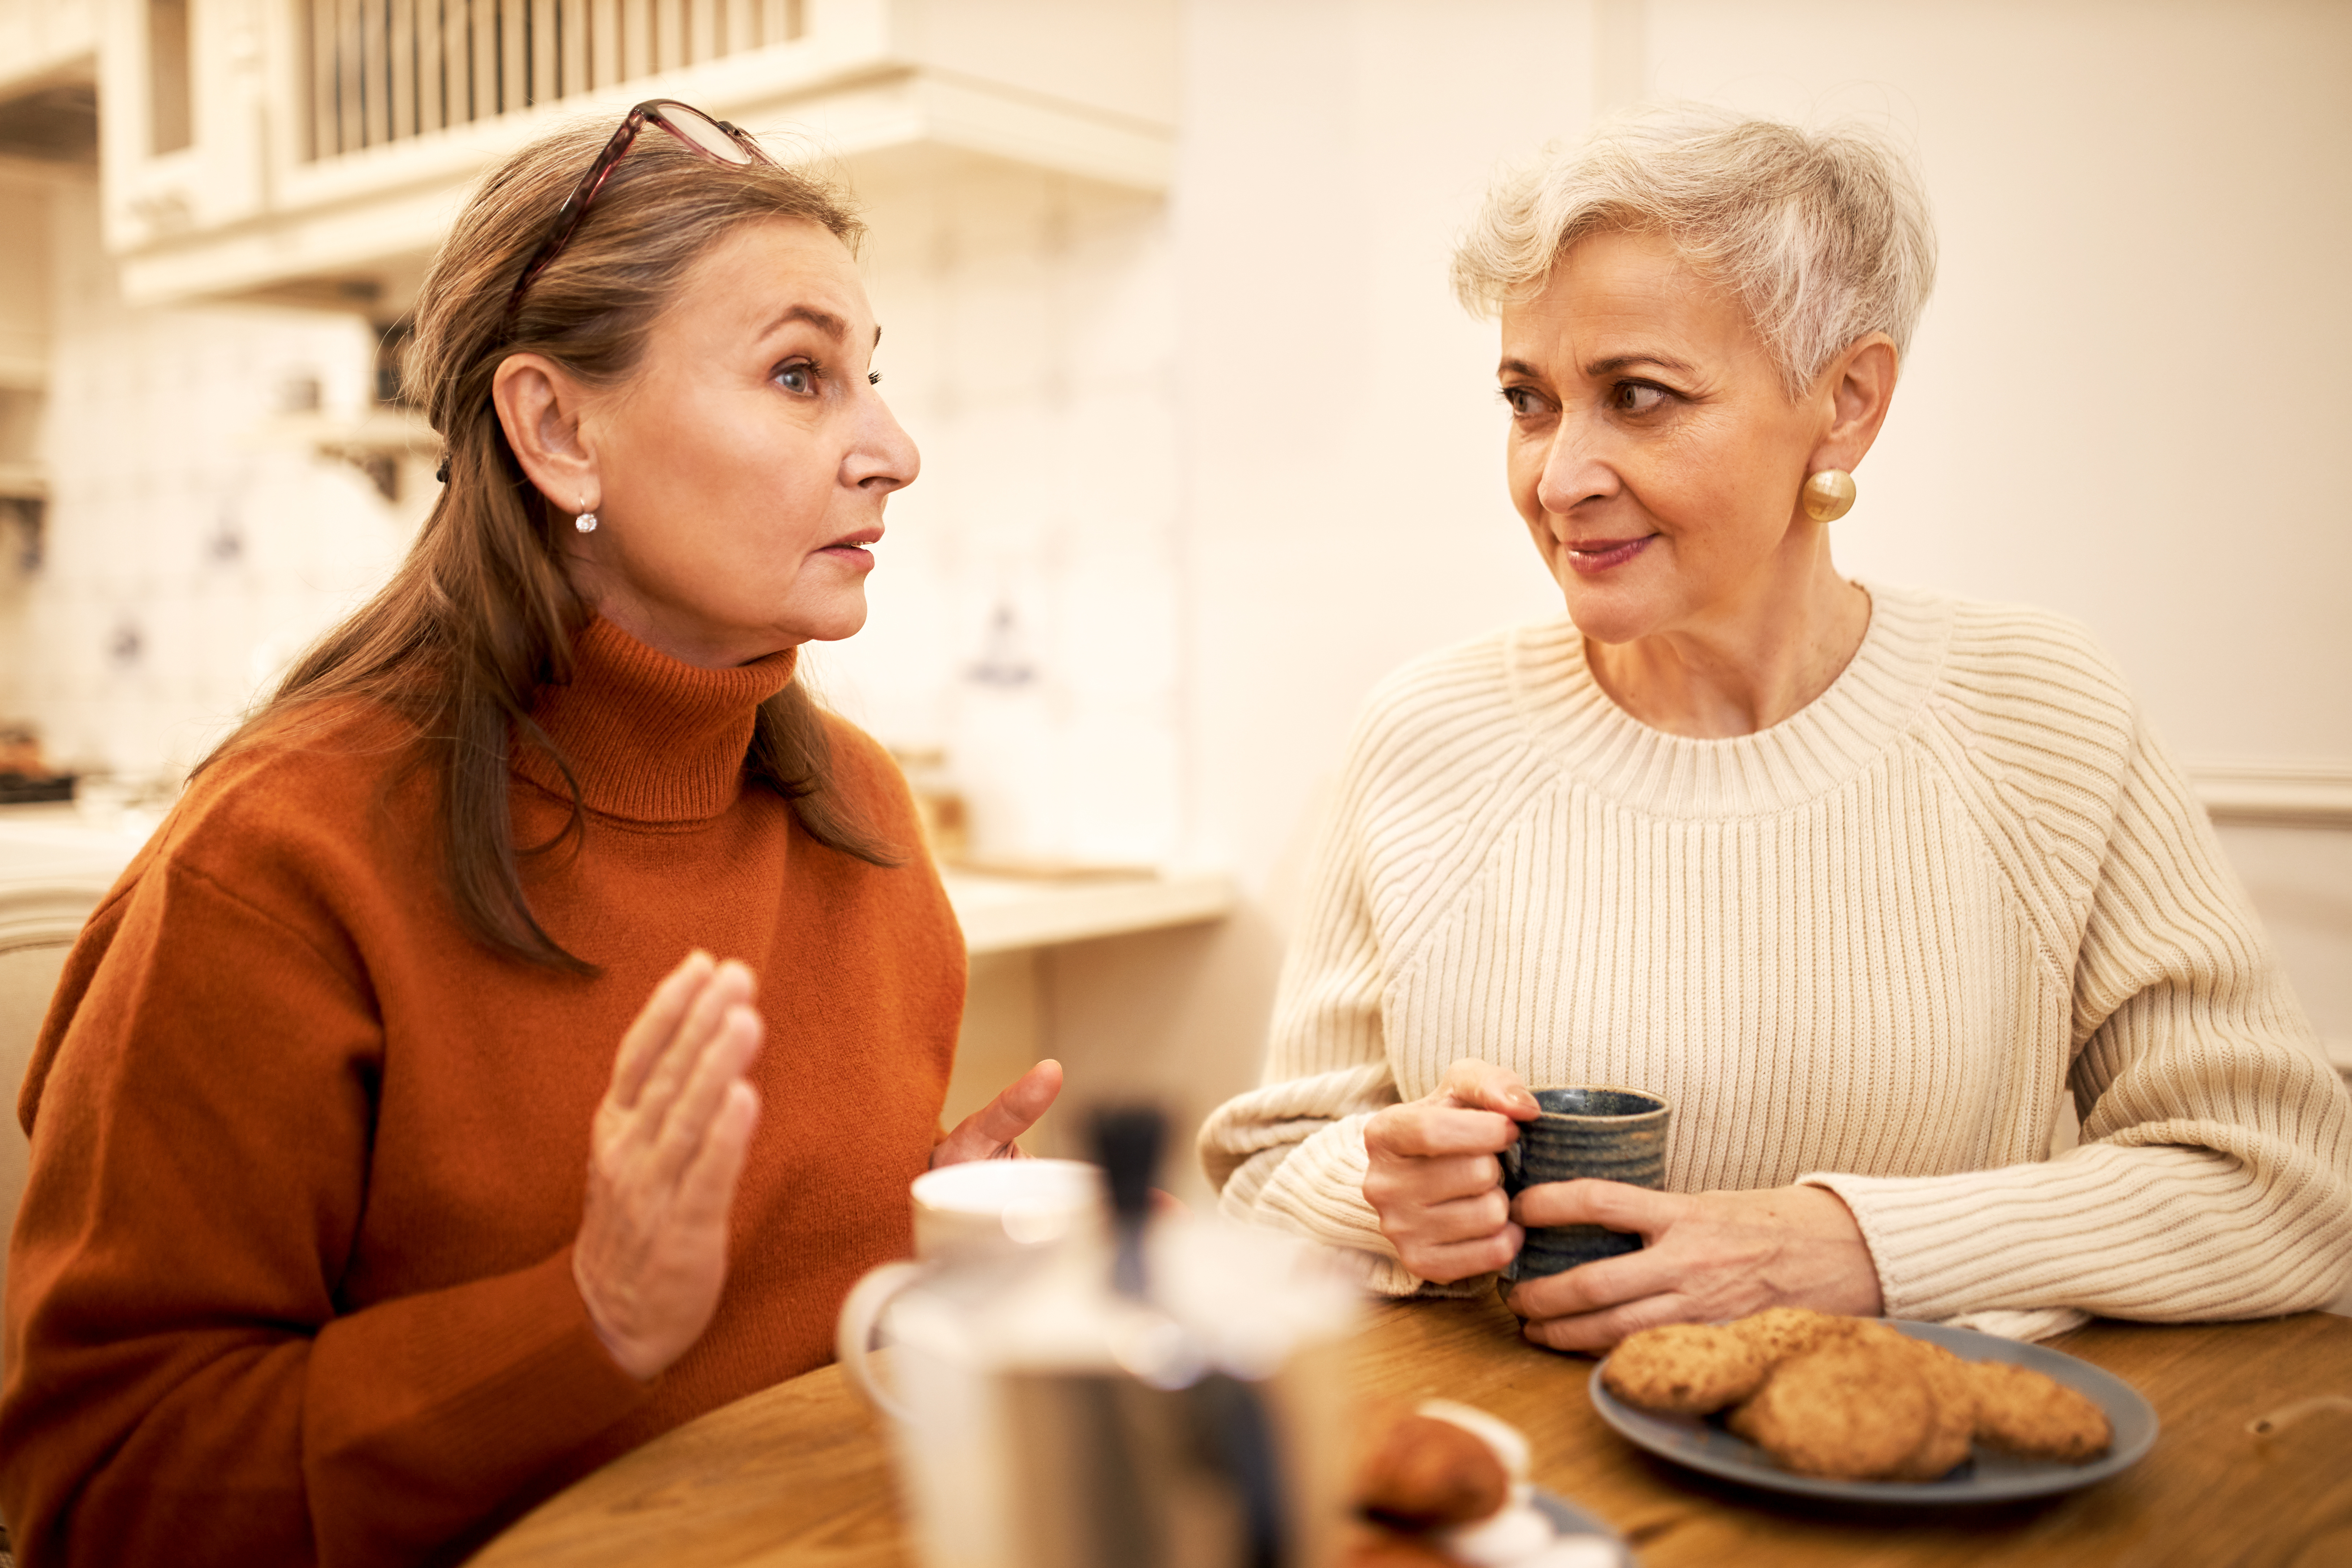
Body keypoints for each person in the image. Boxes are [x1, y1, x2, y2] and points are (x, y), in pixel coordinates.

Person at [0, 101, 1057, 1566]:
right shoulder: (276, 862)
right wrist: (586, 1318)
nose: (895, 449)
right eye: (799, 374)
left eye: (868, 377)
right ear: (558, 431)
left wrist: (926, 1267)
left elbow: (749, 1385)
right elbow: (106, 1489)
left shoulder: (861, 819)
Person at [1198, 107, 2352, 1353]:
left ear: (1847, 402)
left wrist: (1853, 1247)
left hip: (1911, 1463)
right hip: (1518, 1468)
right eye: (1529, 401)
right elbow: (1268, 1175)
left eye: (1639, 396)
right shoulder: (1425, 730)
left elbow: (2286, 1185)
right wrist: (1386, 1189)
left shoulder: (2042, 715)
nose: (1559, 477)